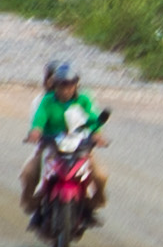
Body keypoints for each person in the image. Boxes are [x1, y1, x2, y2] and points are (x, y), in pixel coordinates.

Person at [23, 56, 109, 225]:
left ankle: (93, 204)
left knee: (101, 176)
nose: (66, 89)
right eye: (62, 84)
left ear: (76, 85)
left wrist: (97, 134)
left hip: (79, 146)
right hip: (52, 146)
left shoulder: (83, 99)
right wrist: (35, 131)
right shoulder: (46, 101)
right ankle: (34, 205)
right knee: (28, 174)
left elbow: (92, 117)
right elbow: (39, 118)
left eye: (70, 85)